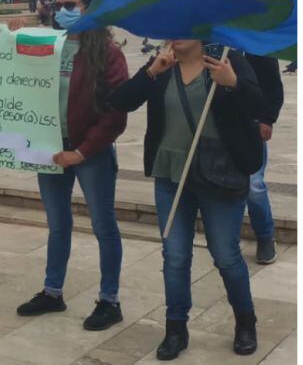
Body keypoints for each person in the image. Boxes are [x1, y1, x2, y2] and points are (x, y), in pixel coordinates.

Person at [110, 41, 263, 360]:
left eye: (184, 27)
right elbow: (120, 101)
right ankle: (176, 328)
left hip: (218, 173)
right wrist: (151, 72)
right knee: (175, 255)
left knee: (225, 255)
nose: (176, 34)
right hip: (170, 175)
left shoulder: (225, 59)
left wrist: (232, 83)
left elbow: (259, 105)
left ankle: (245, 323)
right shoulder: (162, 65)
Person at [9, 0, 129, 332]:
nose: (61, 11)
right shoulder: (47, 44)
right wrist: (11, 38)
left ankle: (110, 300)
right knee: (58, 224)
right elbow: (13, 77)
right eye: (57, 4)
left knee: (103, 225)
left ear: (88, 9)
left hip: (89, 152)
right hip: (50, 148)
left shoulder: (107, 53)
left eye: (70, 5)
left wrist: (83, 150)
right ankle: (52, 291)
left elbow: (115, 113)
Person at [244, 54, 284, 265]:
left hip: (252, 124)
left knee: (253, 185)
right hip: (220, 123)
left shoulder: (258, 49)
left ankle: (265, 235)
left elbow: (275, 90)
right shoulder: (214, 44)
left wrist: (268, 120)